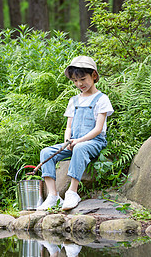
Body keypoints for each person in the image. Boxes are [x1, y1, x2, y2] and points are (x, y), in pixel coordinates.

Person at [37, 56, 114, 211]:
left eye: (83, 79)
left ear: (94, 75)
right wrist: (68, 140)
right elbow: (69, 127)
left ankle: (72, 192)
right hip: (73, 142)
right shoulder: (74, 100)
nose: (79, 84)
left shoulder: (102, 99)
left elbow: (98, 129)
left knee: (79, 148)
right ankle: (53, 196)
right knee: (46, 152)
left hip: (94, 142)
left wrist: (78, 141)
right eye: (75, 81)